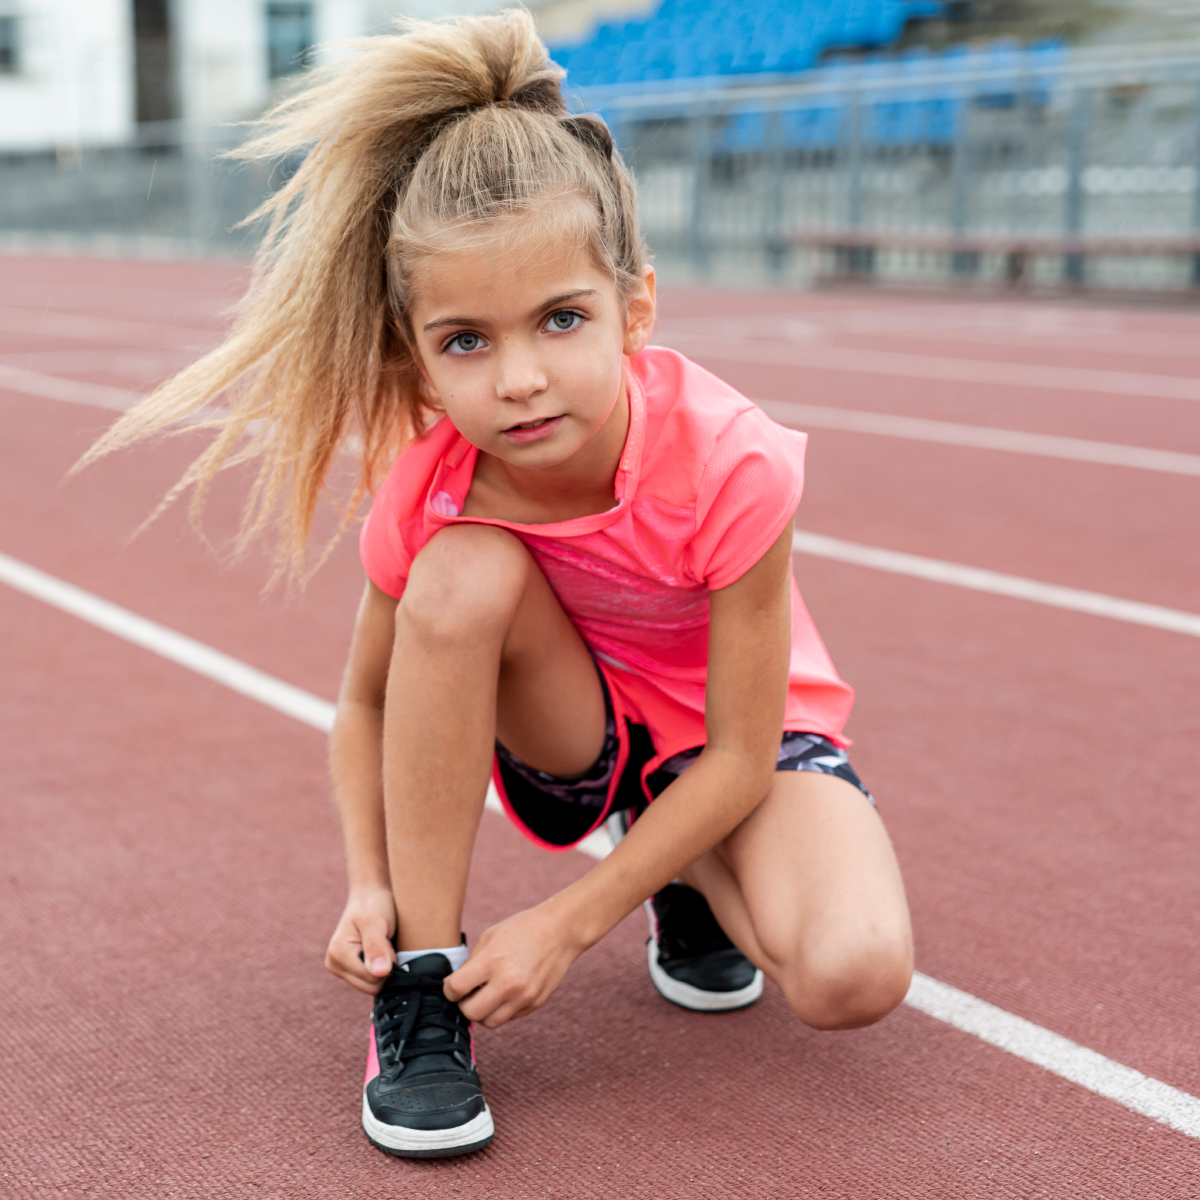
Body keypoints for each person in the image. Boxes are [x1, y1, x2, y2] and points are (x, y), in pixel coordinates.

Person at [80, 9, 913, 1162]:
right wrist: (368, 889)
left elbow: (736, 753)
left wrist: (570, 923)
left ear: (636, 309)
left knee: (850, 974)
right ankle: (422, 989)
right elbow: (365, 703)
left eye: (561, 321)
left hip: (726, 744)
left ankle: (679, 874)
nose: (519, 379)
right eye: (466, 341)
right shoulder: (433, 490)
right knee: (463, 569)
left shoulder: (734, 462)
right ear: (419, 357)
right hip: (571, 730)